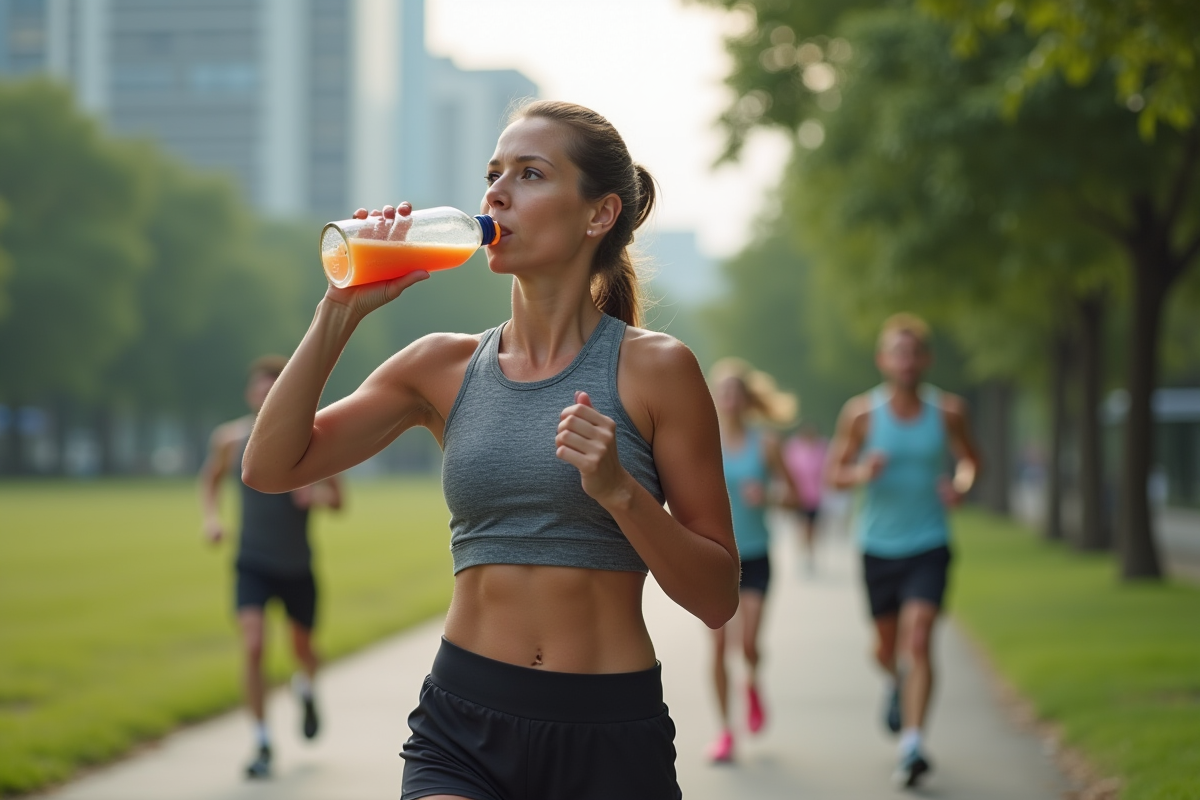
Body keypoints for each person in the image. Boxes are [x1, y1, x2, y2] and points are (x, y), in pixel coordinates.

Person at [242, 100, 739, 800]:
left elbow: (717, 597)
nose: (496, 193)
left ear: (598, 215)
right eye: (493, 173)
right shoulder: (437, 367)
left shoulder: (658, 370)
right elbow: (269, 467)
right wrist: (339, 311)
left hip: (608, 733)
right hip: (461, 727)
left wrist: (621, 491)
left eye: (530, 174)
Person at [826, 314, 982, 789]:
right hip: (877, 546)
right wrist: (862, 473)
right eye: (898, 352)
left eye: (914, 352)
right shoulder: (862, 415)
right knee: (886, 649)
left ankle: (912, 744)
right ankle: (896, 683)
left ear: (926, 360)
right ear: (884, 360)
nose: (907, 361)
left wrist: (959, 486)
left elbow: (971, 461)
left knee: (919, 638)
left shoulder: (949, 411)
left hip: (929, 542)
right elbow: (834, 474)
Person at [199, 355, 344, 779]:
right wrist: (211, 518)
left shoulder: (312, 436)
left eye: (274, 387)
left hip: (297, 566)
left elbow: (338, 502)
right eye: (260, 387)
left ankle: (305, 688)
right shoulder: (229, 439)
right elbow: (210, 479)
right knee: (254, 643)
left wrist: (315, 496)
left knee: (304, 650)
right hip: (253, 562)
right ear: (250, 394)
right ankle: (262, 741)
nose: (266, 394)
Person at [706, 358, 797, 763]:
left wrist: (770, 496)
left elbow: (796, 496)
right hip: (716, 559)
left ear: (745, 399)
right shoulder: (703, 439)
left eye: (735, 392)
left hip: (756, 557)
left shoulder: (767, 444)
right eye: (722, 391)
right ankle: (726, 732)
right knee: (719, 646)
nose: (728, 398)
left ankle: (753, 683)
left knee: (748, 644)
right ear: (715, 398)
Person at [782, 422, 827, 573]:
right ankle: (802, 556)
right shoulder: (794, 448)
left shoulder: (821, 449)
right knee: (802, 527)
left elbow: (825, 471)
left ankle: (809, 555)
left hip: (814, 496)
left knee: (811, 528)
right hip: (798, 496)